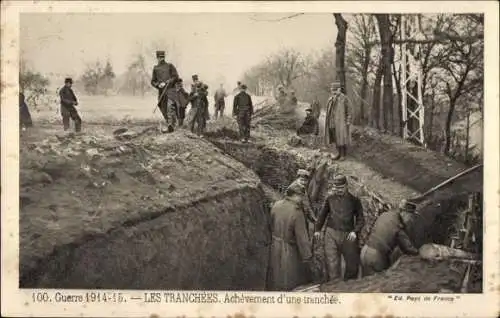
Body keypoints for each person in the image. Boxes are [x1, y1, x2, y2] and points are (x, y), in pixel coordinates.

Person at [314, 174, 364, 281]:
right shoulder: (330, 199)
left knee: (352, 263)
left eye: (341, 188)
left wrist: (355, 231)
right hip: (331, 233)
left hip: (348, 235)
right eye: (336, 188)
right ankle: (334, 284)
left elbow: (361, 219)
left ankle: (349, 286)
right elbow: (322, 215)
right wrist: (317, 229)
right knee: (332, 262)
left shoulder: (354, 200)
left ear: (346, 186)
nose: (338, 190)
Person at [267, 181, 314, 291]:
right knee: (289, 280)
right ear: (295, 196)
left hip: (274, 246)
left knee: (275, 277)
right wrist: (307, 256)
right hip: (289, 250)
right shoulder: (296, 212)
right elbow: (302, 238)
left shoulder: (276, 205)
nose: (302, 200)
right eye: (301, 196)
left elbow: (269, 225)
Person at [360, 200, 419, 277]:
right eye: (411, 216)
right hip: (375, 256)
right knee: (380, 282)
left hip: (364, 251)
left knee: (365, 283)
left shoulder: (385, 214)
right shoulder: (398, 224)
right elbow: (407, 248)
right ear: (404, 213)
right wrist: (418, 253)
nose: (411, 219)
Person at [151, 50, 180, 133]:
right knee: (162, 106)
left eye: (162, 57)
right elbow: (152, 81)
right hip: (161, 92)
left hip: (170, 90)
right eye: (159, 57)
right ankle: (169, 123)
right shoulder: (155, 68)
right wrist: (158, 85)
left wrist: (169, 81)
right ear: (157, 58)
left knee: (169, 107)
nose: (161, 58)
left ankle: (171, 125)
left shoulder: (170, 66)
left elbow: (176, 77)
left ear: (164, 57)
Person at [325, 81, 352, 160]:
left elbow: (349, 110)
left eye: (335, 90)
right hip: (332, 122)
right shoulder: (331, 99)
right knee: (335, 138)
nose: (333, 92)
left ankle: (343, 155)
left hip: (341, 122)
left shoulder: (344, 99)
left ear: (339, 89)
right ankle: (338, 153)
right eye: (332, 90)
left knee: (341, 138)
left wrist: (348, 120)